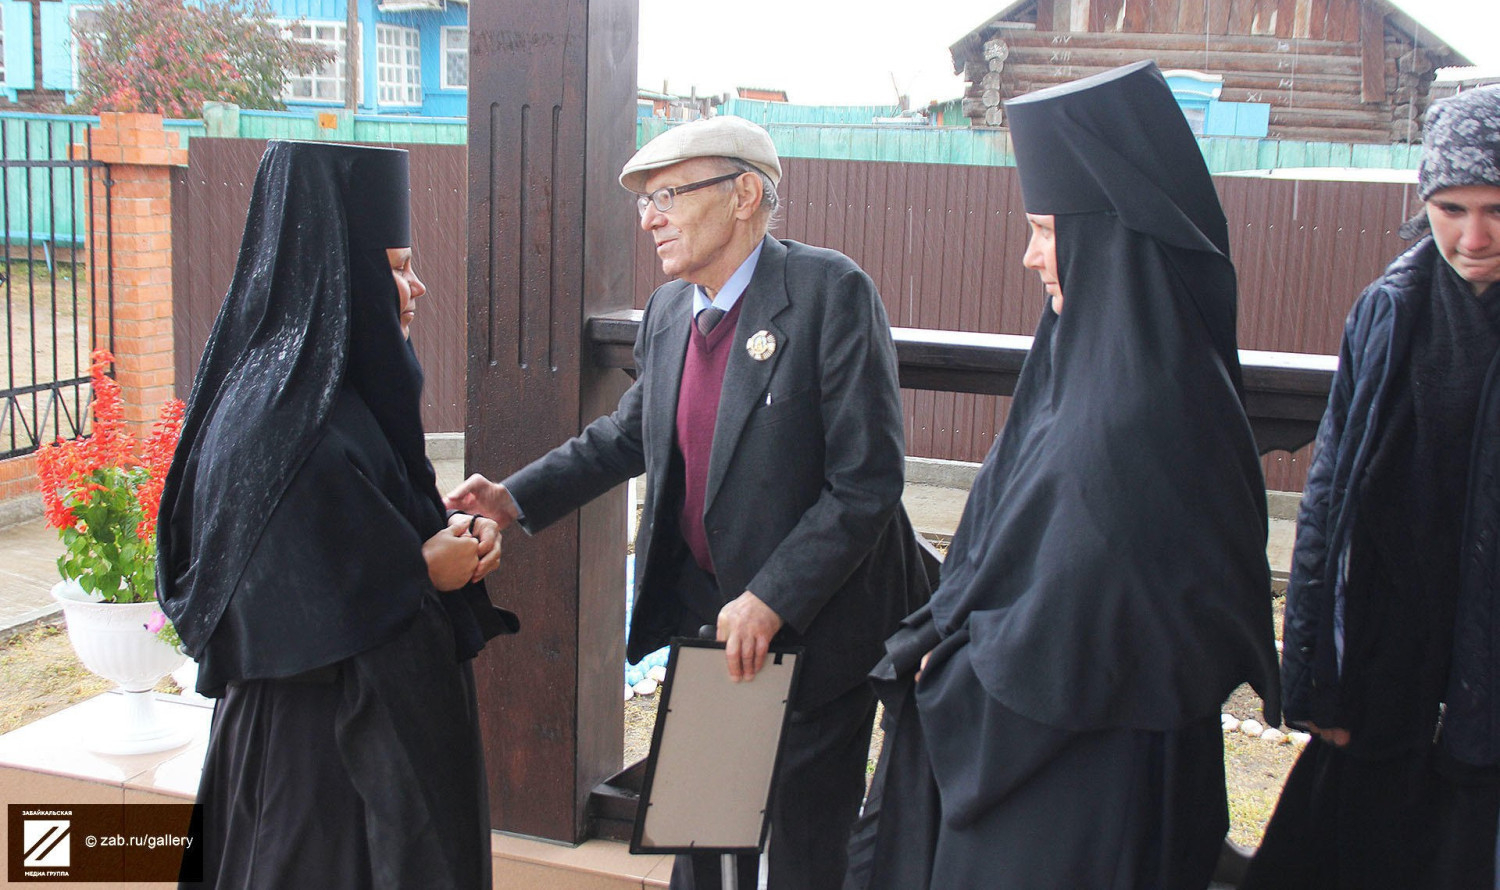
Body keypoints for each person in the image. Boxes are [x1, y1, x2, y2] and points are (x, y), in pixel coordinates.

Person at [446, 115, 933, 890]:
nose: (649, 218)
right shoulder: (671, 311)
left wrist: (772, 598)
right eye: (645, 201)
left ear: (744, 195)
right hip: (714, 626)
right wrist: (513, 498)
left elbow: (866, 482)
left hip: (814, 627)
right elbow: (624, 437)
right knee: (705, 841)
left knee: (806, 857)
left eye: (668, 195)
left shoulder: (829, 293)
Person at [845, 61, 1281, 890]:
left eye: (1045, 231)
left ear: (1108, 237)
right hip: (1061, 768)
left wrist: (956, 666)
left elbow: (1085, 620)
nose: (1029, 256)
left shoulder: (1148, 414)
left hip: (1079, 787)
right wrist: (948, 635)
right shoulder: (1087, 370)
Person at [156, 141, 517, 889]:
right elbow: (273, 604)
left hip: (356, 755)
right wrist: (419, 572)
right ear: (339, 275)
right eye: (396, 268)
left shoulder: (327, 399)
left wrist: (450, 538)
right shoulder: (278, 427)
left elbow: (355, 534)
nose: (415, 286)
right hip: (313, 772)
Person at [1242, 86, 1500, 889]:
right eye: (1451, 209)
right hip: (1389, 655)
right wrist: (1314, 673)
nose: (1474, 237)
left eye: (1497, 209)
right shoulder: (1389, 309)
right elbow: (1329, 498)